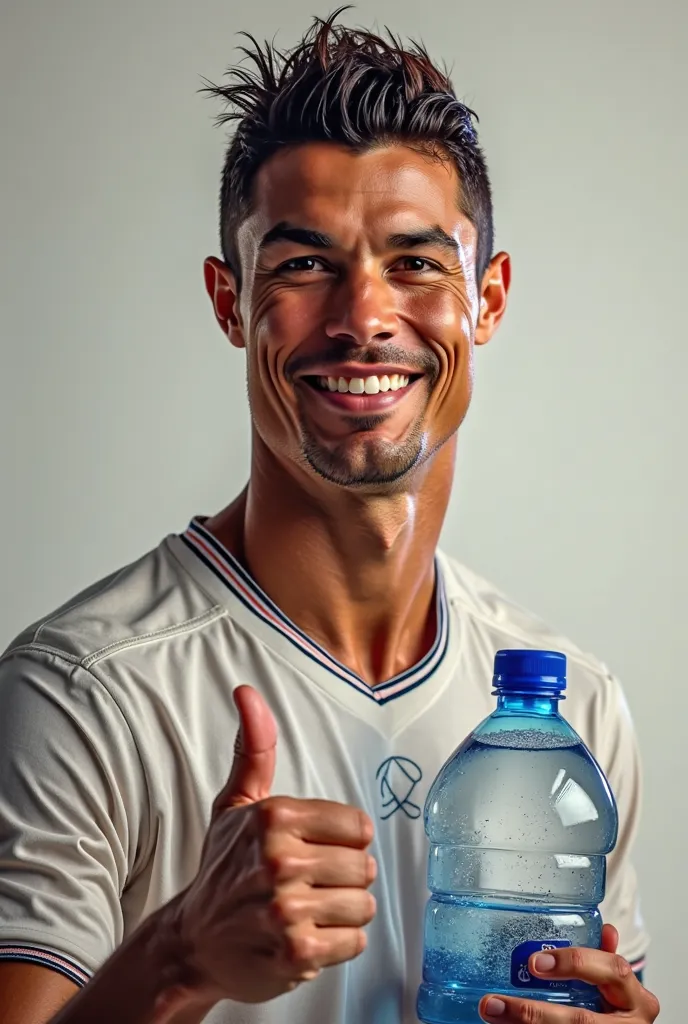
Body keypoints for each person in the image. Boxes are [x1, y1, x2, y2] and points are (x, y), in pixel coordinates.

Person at [0, 12, 659, 1024]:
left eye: (416, 264)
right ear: (231, 303)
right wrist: (181, 955)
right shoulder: (81, 696)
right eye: (304, 265)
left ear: (486, 300)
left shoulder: (575, 713)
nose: (363, 315)